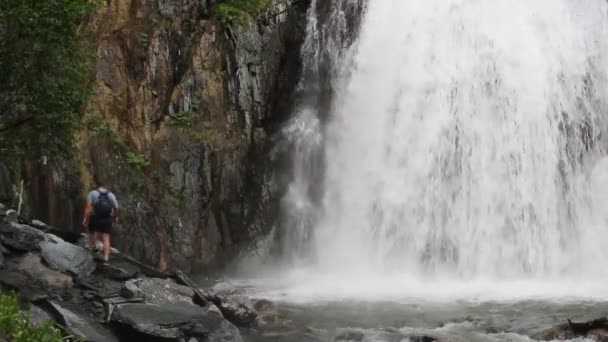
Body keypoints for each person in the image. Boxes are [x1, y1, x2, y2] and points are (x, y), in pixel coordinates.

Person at [82, 180, 119, 264]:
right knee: (106, 238)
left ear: (98, 186)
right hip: (107, 219)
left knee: (94, 232)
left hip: (96, 217)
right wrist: (116, 217)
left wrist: (85, 218)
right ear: (106, 186)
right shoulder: (111, 194)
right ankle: (106, 258)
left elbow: (88, 208)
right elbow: (116, 207)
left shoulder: (92, 193)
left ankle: (95, 247)